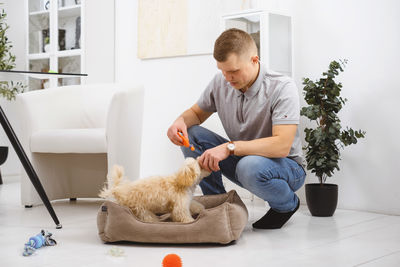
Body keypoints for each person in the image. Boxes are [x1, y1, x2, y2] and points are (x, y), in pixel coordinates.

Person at [167, 28, 306, 229]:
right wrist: (179, 122)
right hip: (245, 160)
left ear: (254, 60)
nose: (227, 77)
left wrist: (229, 148)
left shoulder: (282, 87)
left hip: (286, 166)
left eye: (233, 71)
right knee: (194, 134)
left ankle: (286, 205)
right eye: (222, 71)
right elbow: (196, 114)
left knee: (249, 166)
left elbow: (281, 146)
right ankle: (217, 206)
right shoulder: (221, 82)